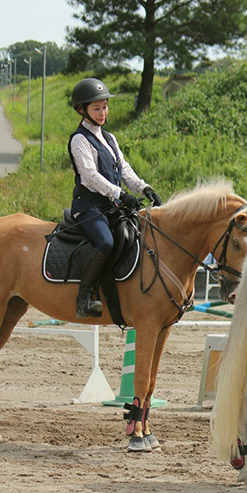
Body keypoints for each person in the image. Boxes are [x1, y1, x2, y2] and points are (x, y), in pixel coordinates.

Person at [68, 77, 162, 318]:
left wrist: (144, 188)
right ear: (82, 110)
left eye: (105, 107)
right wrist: (120, 193)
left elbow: (125, 169)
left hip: (111, 206)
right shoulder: (80, 140)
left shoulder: (109, 138)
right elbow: (90, 177)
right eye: (96, 108)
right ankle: (84, 298)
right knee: (105, 242)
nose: (103, 112)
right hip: (89, 207)